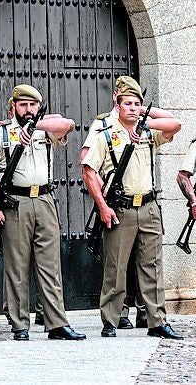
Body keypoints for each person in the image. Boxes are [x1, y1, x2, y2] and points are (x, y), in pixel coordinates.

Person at [0, 84, 85, 341]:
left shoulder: (44, 129)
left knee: (50, 264)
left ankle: (56, 323)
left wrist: (35, 126)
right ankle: (19, 324)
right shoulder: (1, 131)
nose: (28, 109)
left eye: (33, 105)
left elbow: (68, 125)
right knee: (16, 265)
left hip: (45, 199)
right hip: (16, 201)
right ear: (13, 106)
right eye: (23, 105)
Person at [81, 80, 183, 340]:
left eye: (138, 104)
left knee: (152, 266)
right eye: (128, 103)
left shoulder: (147, 133)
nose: (134, 108)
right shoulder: (105, 134)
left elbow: (175, 125)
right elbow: (89, 172)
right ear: (117, 105)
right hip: (121, 208)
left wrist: (146, 122)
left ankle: (156, 320)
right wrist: (102, 207)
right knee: (116, 268)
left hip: (148, 206)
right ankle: (111, 321)